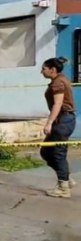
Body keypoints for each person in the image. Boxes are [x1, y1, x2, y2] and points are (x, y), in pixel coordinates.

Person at [40, 57, 77, 198]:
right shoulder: (60, 79)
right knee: (46, 151)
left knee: (57, 153)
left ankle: (63, 188)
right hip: (62, 120)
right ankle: (65, 178)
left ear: (52, 69)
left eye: (44, 69)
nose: (42, 72)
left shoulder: (58, 83)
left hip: (63, 120)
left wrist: (49, 123)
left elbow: (58, 104)